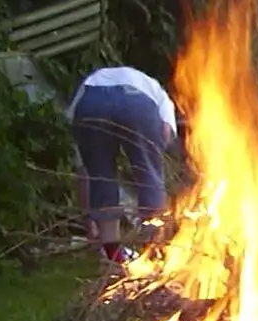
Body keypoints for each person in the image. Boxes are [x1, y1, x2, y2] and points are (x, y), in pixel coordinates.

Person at [68, 65, 178, 264]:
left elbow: (85, 173)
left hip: (91, 104)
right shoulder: (160, 97)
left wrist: (90, 223)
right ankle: (155, 252)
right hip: (137, 101)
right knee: (149, 175)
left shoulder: (78, 103)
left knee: (100, 177)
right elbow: (164, 132)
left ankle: (113, 257)